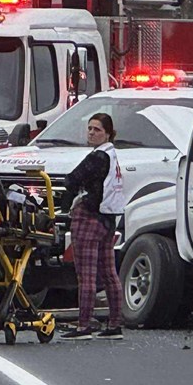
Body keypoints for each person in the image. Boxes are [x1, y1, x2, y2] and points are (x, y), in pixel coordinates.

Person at [60, 113, 126, 341]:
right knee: (109, 273)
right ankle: (115, 324)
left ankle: (83, 326)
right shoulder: (113, 156)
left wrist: (65, 205)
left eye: (97, 129)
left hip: (89, 217)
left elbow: (72, 179)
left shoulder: (97, 157)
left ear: (108, 133)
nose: (91, 133)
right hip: (109, 219)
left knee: (86, 275)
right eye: (89, 128)